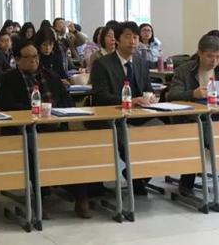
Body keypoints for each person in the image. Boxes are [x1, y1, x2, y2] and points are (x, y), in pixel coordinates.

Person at [0, 40, 91, 219]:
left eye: (35, 56)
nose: (33, 60)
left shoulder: (50, 75)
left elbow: (67, 101)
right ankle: (42, 197)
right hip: (25, 131)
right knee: (35, 151)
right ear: (17, 59)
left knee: (77, 150)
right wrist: (33, 112)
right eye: (27, 57)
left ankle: (81, 197)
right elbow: (7, 105)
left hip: (54, 127)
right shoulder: (9, 79)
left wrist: (54, 112)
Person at [91, 21, 157, 196]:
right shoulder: (102, 64)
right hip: (113, 116)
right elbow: (100, 96)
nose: (132, 41)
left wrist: (150, 97)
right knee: (128, 135)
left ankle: (138, 174)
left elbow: (148, 88)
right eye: (127, 37)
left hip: (139, 114)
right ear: (117, 40)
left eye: (135, 37)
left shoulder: (141, 62)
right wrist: (129, 101)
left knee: (162, 129)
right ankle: (136, 175)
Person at [168, 34, 219, 196]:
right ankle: (187, 181)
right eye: (210, 56)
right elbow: (172, 95)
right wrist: (193, 93)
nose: (214, 61)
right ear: (200, 53)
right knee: (197, 134)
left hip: (215, 115)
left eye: (218, 57)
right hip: (191, 118)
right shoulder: (184, 70)